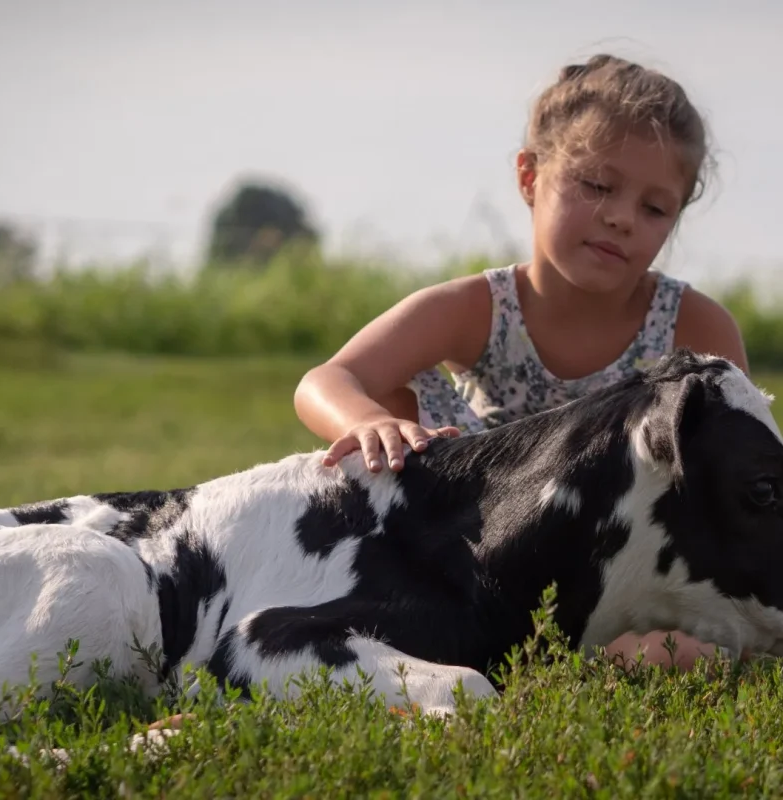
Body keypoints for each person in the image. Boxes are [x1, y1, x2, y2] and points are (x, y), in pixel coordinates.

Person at [293, 53, 750, 671]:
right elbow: (328, 379)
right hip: (481, 550)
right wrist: (369, 421)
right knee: (397, 400)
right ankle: (482, 634)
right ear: (531, 176)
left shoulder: (694, 326)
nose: (621, 217)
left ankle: (577, 648)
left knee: (697, 648)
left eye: (654, 208)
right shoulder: (480, 307)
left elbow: (737, 480)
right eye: (597, 185)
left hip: (616, 567)